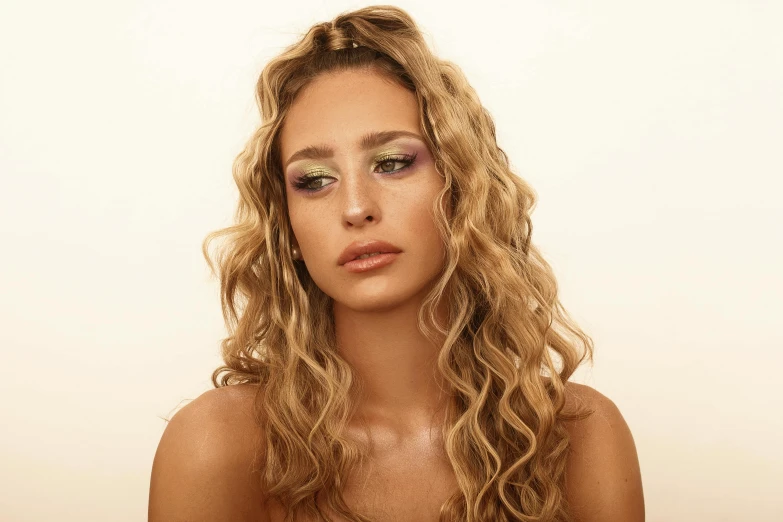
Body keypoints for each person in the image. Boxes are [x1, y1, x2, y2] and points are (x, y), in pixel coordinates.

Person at [148, 5, 644, 522]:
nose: (356, 207)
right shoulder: (219, 446)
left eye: (392, 163)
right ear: (287, 229)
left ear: (463, 191)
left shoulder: (581, 436)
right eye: (314, 180)